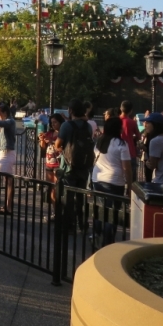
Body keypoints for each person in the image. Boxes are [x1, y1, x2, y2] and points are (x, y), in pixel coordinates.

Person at [54, 99, 96, 230]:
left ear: (70, 111)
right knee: (81, 197)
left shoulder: (66, 126)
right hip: (83, 166)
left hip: (68, 166)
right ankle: (82, 222)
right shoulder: (87, 126)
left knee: (68, 197)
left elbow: (58, 145)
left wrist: (62, 149)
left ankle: (69, 224)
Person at [91, 116, 132, 246]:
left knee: (99, 208)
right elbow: (127, 167)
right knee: (112, 213)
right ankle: (108, 241)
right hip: (114, 181)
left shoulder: (99, 141)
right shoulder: (121, 144)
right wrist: (129, 185)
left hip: (97, 178)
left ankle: (96, 234)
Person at [0, 103, 17, 215]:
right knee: (8, 180)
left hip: (8, 153)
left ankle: (8, 206)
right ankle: (8, 206)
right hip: (3, 152)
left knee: (7, 178)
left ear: (5, 112)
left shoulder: (10, 121)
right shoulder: (5, 122)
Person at [40, 112, 66, 219]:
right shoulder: (49, 133)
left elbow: (63, 150)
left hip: (58, 163)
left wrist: (52, 142)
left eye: (55, 122)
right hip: (49, 162)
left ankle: (59, 212)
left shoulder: (62, 134)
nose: (53, 124)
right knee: (50, 188)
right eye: (52, 123)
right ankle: (55, 212)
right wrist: (42, 140)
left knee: (57, 189)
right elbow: (42, 150)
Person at [119, 101, 141, 182]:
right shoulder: (132, 122)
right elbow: (139, 137)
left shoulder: (115, 121)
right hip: (130, 152)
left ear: (120, 108)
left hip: (117, 153)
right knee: (132, 180)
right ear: (131, 110)